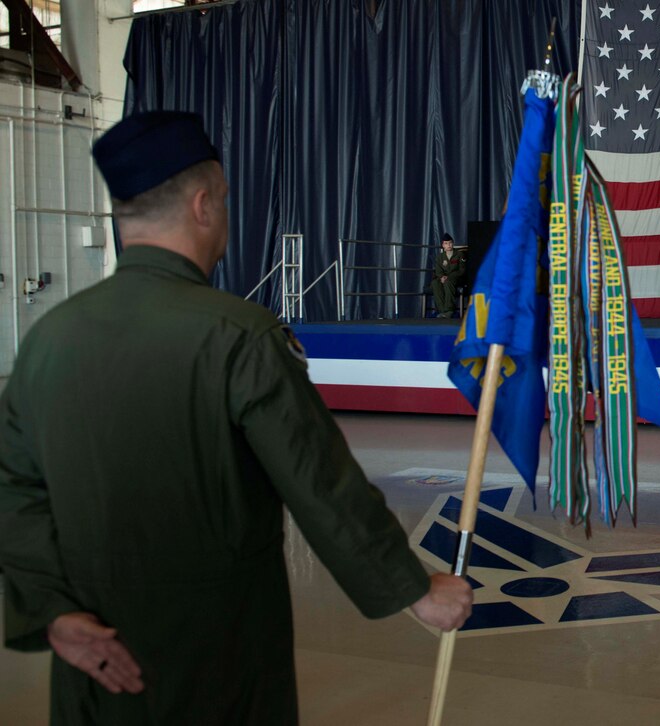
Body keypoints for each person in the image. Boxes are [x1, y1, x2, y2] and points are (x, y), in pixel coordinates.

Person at [0, 111, 472, 725]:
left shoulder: (46, 340)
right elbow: (319, 485)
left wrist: (54, 614)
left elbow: (14, 491)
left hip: (94, 668)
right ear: (203, 204)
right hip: (217, 666)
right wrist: (414, 589)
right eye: (223, 199)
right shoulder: (240, 337)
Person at [431, 232, 466, 318]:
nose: (449, 245)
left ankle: (449, 310)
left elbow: (462, 270)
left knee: (448, 282)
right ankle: (442, 311)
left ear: (453, 243)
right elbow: (438, 270)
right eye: (446, 243)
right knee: (435, 283)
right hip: (443, 277)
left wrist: (448, 277)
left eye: (450, 243)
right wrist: (441, 277)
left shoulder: (459, 255)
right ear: (443, 245)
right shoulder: (440, 257)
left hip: (456, 278)